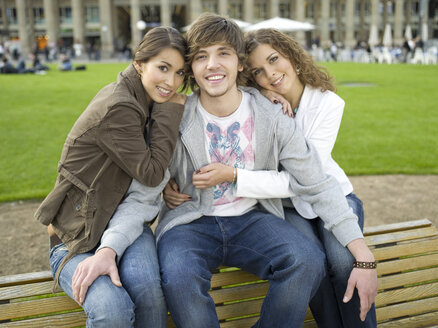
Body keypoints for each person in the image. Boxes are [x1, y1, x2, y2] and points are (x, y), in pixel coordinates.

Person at [114, 13, 375, 327]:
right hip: (191, 223)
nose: (212, 65)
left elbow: (316, 182)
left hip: (254, 219)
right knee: (179, 277)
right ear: (192, 70)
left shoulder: (272, 115)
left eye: (223, 53)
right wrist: (109, 247)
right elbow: (142, 196)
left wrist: (363, 255)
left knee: (307, 261)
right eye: (201, 57)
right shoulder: (173, 119)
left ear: (239, 63)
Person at [35, 26, 187, 328]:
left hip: (123, 224)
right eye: (163, 68)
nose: (172, 82)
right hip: (77, 238)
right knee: (113, 310)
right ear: (139, 63)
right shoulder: (121, 106)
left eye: (181, 73)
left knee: (148, 292)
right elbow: (152, 171)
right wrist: (170, 111)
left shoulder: (142, 98)